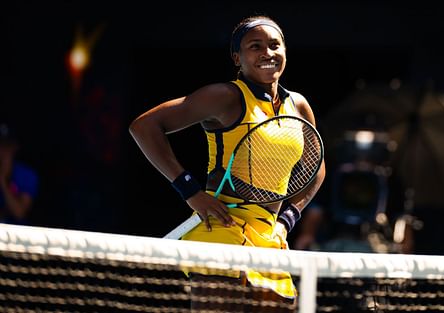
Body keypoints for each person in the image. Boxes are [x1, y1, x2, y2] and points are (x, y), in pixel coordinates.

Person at [129, 15, 326, 312]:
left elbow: (316, 168)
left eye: (274, 45)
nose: (267, 53)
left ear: (285, 50)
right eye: (255, 46)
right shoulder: (224, 97)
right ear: (237, 57)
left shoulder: (297, 105)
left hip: (270, 234)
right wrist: (192, 193)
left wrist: (289, 218)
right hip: (222, 228)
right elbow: (144, 127)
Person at [0, 122, 39, 225]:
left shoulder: (27, 175)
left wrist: (3, 181)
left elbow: (19, 212)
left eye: (7, 146)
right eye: (0, 145)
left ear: (15, 147)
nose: (3, 151)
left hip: (18, 235)